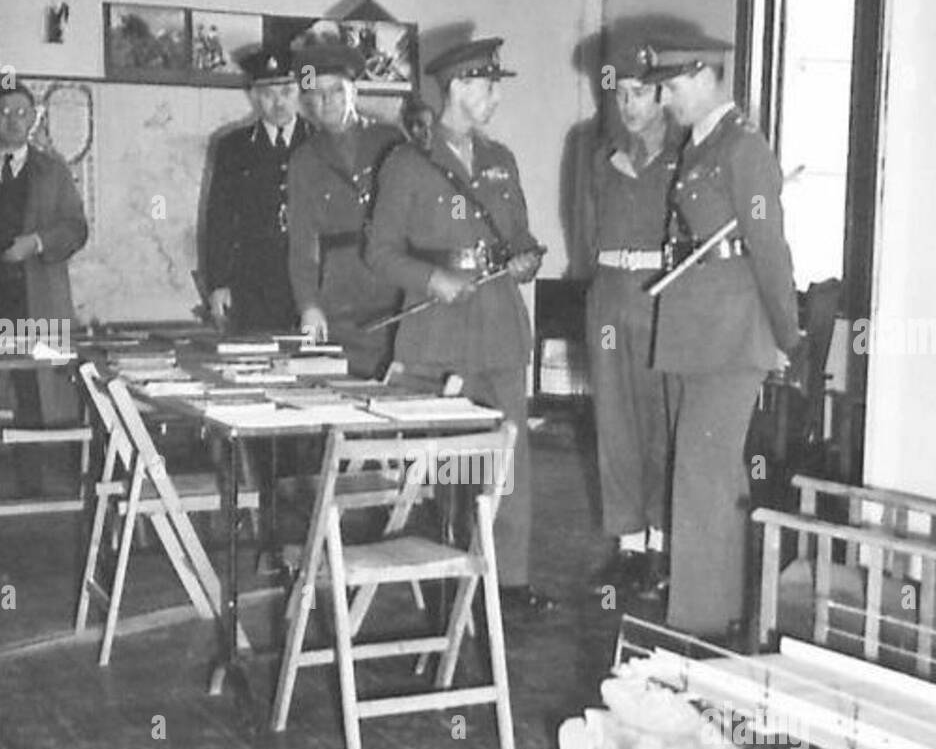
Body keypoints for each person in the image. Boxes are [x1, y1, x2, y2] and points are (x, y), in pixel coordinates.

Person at [366, 36, 555, 618]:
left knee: (509, 460)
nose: (495, 96)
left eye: (496, 85)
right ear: (456, 88)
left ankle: (508, 584)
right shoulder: (408, 163)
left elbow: (519, 234)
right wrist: (431, 279)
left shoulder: (501, 160)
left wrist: (528, 258)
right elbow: (380, 252)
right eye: (486, 85)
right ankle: (457, 583)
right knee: (454, 465)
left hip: (499, 325)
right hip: (441, 335)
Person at [645, 38, 803, 642]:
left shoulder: (744, 147)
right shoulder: (700, 145)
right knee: (709, 472)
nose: (664, 100)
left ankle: (699, 624)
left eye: (672, 87)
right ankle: (730, 608)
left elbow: (768, 247)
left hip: (733, 333)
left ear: (708, 77)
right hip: (694, 326)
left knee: (703, 474)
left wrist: (787, 331)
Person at [579, 38, 680, 598]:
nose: (630, 106)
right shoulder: (599, 157)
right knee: (614, 423)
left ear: (663, 94)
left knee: (661, 421)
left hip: (661, 295)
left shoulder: (685, 157)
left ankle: (662, 546)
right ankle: (628, 544)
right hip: (610, 293)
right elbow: (586, 228)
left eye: (641, 93)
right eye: (620, 95)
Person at [0, 75, 88, 438]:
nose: (13, 120)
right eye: (5, 111)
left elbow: (76, 229)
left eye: (22, 113)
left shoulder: (53, 171)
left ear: (34, 120)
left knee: (39, 400)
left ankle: (39, 486)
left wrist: (38, 242)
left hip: (37, 301)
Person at [286, 40, 403, 377]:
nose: (326, 101)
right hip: (341, 298)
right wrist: (309, 305)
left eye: (336, 90)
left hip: (394, 287)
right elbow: (302, 242)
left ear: (354, 91)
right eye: (316, 94)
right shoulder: (305, 160)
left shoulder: (390, 141)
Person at [203, 47, 310, 333]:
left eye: (287, 91)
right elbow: (219, 221)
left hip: (313, 283)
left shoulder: (318, 142)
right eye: (268, 94)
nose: (279, 103)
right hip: (252, 284)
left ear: (300, 91)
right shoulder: (233, 148)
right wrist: (218, 283)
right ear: (252, 96)